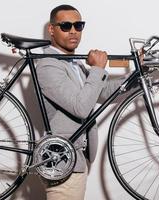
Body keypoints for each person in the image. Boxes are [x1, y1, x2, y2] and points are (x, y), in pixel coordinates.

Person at [36, 4, 122, 200]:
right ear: (52, 29)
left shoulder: (74, 63)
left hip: (76, 160)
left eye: (78, 25)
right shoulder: (49, 65)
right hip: (62, 160)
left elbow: (101, 91)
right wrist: (98, 69)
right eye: (66, 26)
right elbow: (81, 107)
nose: (73, 31)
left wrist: (137, 73)